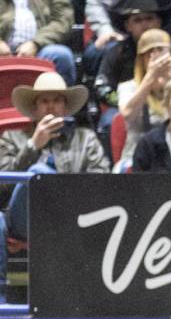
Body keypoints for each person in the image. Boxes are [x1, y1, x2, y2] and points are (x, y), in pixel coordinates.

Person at [0, 72, 109, 301]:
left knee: (41, 175)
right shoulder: (11, 139)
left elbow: (102, 184)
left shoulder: (85, 139)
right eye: (44, 101)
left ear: (66, 106)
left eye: (57, 100)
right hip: (22, 220)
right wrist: (32, 146)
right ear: (34, 107)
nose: (51, 107)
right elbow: (2, 190)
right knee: (37, 175)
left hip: (72, 217)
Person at [115, 27, 171, 170]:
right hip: (137, 157)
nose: (156, 56)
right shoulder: (128, 87)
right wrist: (150, 77)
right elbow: (127, 114)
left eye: (160, 50)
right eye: (149, 52)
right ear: (141, 59)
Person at [0, 0, 76, 84]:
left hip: (40, 50)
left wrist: (36, 43)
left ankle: (57, 102)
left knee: (61, 55)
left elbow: (63, 21)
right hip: (2, 48)